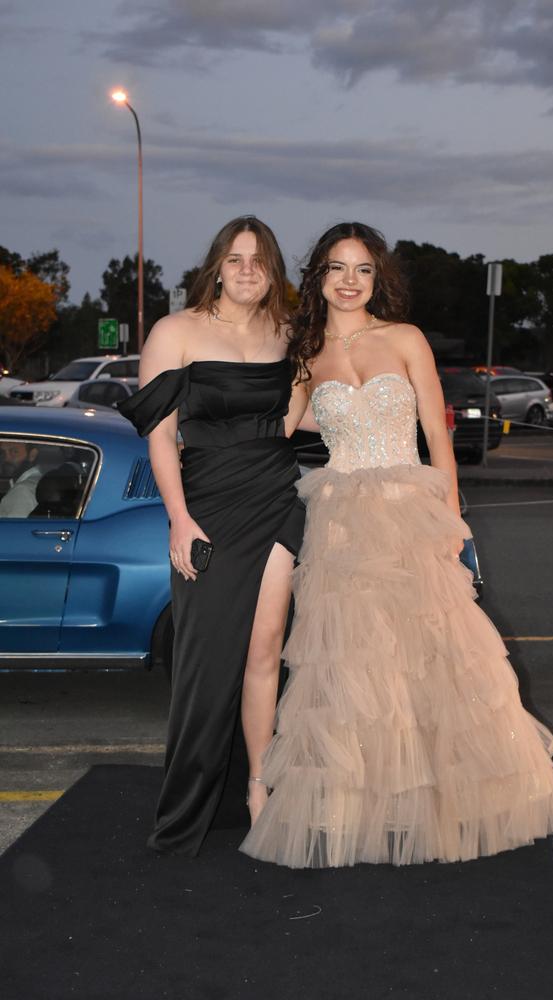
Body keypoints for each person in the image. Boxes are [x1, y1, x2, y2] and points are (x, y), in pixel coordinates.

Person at [240, 222, 553, 868]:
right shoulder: (305, 353)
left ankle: (448, 804)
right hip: (340, 524)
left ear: (377, 278)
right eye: (337, 268)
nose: (348, 281)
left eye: (362, 269)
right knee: (351, 671)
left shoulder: (406, 339)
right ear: (318, 278)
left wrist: (453, 525)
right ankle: (353, 810)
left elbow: (438, 439)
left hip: (409, 515)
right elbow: (278, 427)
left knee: (434, 661)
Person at [119, 216, 306, 857]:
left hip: (276, 498)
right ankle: (189, 810)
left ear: (273, 270)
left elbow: (289, 421)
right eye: (236, 258)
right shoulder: (177, 331)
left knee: (265, 649)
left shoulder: (289, 335)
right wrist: (180, 518)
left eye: (260, 259)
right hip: (206, 508)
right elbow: (159, 437)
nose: (247, 269)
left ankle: (259, 786)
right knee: (205, 661)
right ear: (217, 266)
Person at [0, 441, 43, 517]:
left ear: (32, 455)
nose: (6, 458)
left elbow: (12, 528)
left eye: (14, 452)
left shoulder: (23, 490)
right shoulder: (37, 480)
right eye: (2, 453)